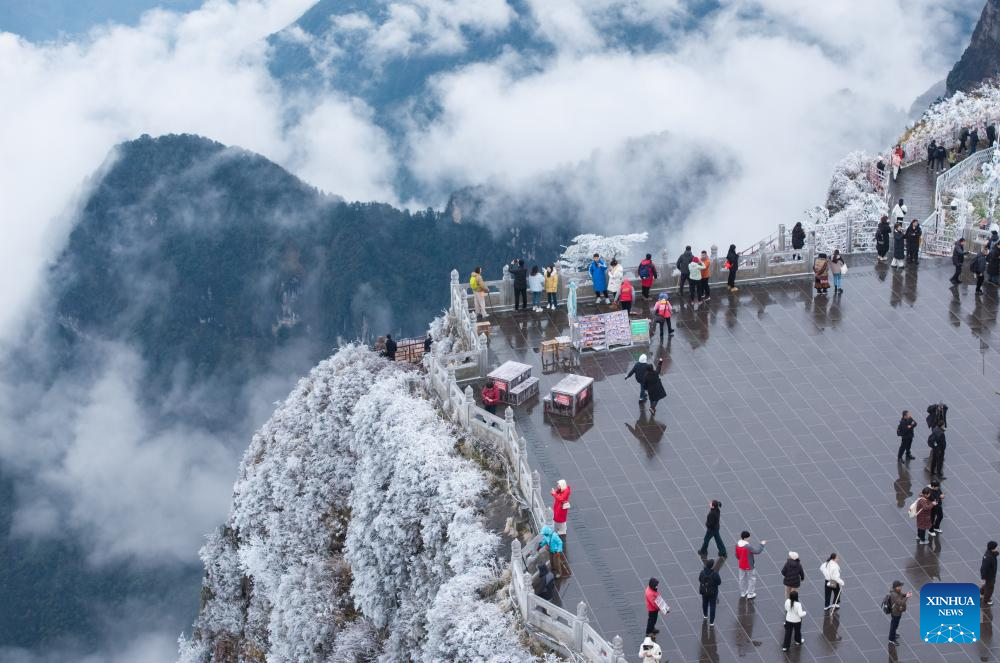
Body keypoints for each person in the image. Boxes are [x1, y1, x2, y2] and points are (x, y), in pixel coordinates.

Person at [735, 531, 766, 599]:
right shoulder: (748, 546)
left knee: (741, 578)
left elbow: (737, 555)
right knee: (751, 578)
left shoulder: (737, 544)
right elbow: (757, 551)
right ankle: (750, 593)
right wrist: (762, 544)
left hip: (741, 564)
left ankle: (743, 592)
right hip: (749, 565)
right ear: (747, 538)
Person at [887, 580, 912, 646]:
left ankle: (894, 634)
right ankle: (891, 639)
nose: (901, 587)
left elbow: (901, 595)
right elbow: (900, 603)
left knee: (895, 624)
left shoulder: (896, 591)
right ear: (896, 587)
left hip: (898, 611)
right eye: (900, 586)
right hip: (896, 612)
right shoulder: (894, 594)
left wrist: (906, 594)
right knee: (894, 625)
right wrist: (907, 597)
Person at [698, 558, 722, 626]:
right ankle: (711, 622)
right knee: (712, 606)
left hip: (704, 591)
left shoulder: (702, 572)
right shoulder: (715, 574)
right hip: (713, 592)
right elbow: (719, 582)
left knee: (704, 603)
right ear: (712, 566)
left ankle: (705, 615)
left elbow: (699, 579)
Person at [982, 541, 998, 606]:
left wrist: (995, 553)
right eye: (995, 548)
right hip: (989, 576)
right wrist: (983, 576)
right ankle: (986, 601)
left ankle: (982, 591)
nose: (996, 549)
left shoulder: (990, 553)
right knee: (990, 588)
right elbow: (984, 568)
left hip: (991, 574)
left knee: (988, 584)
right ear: (992, 549)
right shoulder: (988, 558)